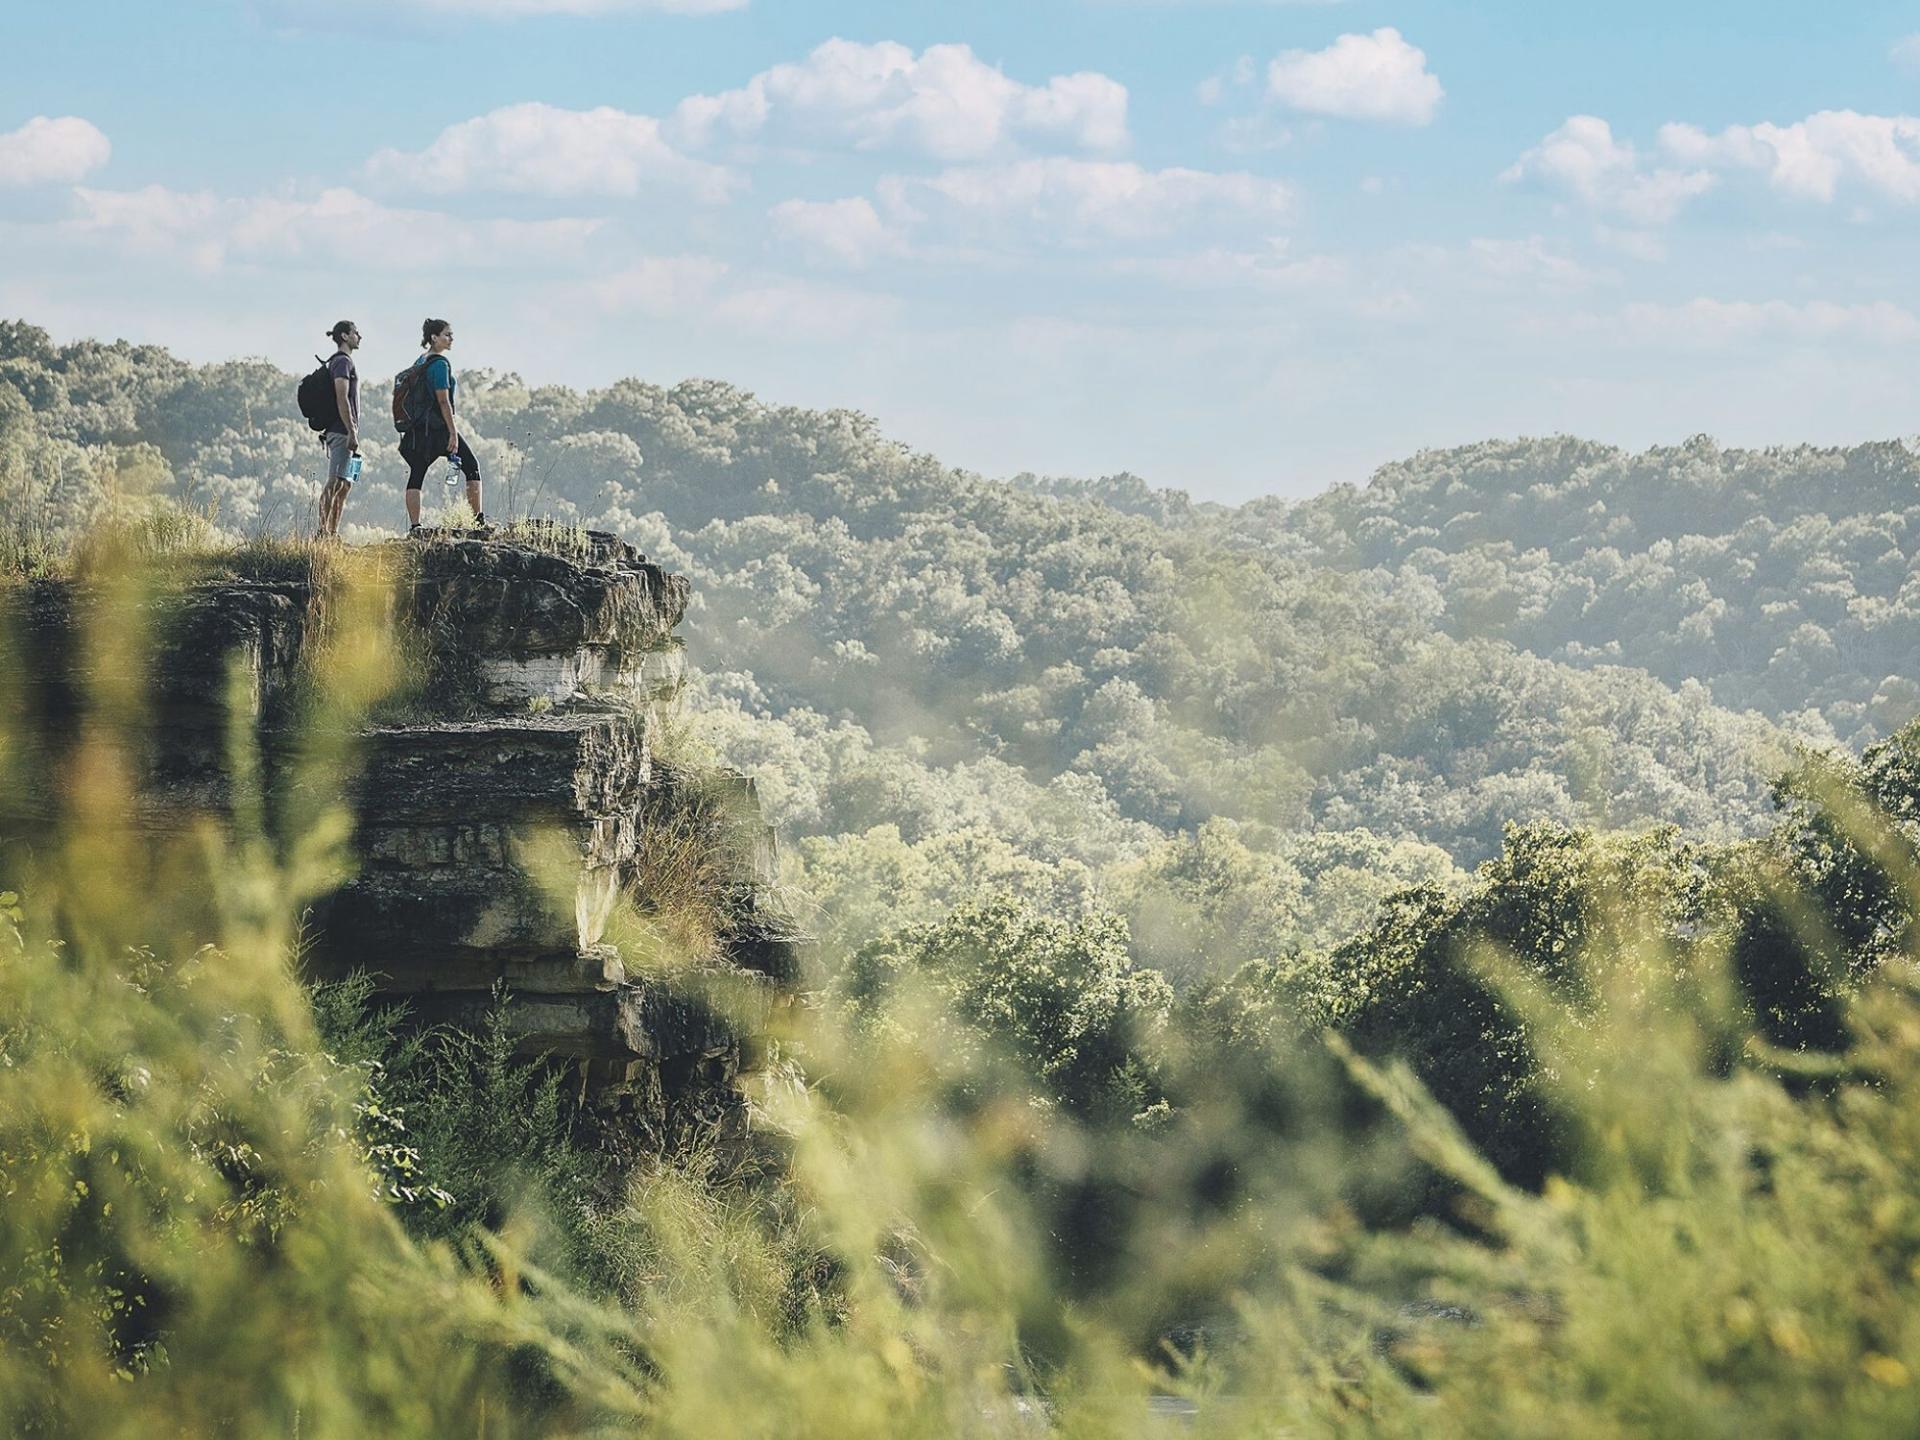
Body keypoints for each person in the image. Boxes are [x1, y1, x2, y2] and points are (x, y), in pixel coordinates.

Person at [400, 317, 485, 532]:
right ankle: (478, 523)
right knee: (472, 466)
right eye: (447, 334)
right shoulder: (439, 363)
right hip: (438, 429)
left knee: (417, 473)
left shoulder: (420, 361)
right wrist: (453, 433)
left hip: (419, 430)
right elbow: (443, 400)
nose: (451, 338)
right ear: (434, 337)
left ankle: (415, 527)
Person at [316, 320, 360, 538]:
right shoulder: (342, 362)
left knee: (344, 485)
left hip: (343, 431)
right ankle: (323, 533)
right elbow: (342, 398)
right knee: (335, 482)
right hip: (341, 431)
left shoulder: (343, 362)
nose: (359, 336)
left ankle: (331, 534)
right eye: (355, 333)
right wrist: (351, 430)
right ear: (345, 336)